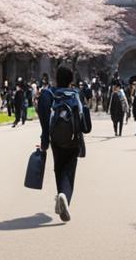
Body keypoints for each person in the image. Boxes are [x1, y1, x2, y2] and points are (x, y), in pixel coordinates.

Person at [37, 65, 92, 222]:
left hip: (56, 139)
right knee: (69, 171)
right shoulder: (77, 94)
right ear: (71, 80)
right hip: (74, 139)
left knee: (59, 168)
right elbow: (84, 120)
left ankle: (61, 196)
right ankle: (64, 197)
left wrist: (44, 139)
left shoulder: (49, 94)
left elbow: (43, 118)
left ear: (56, 78)